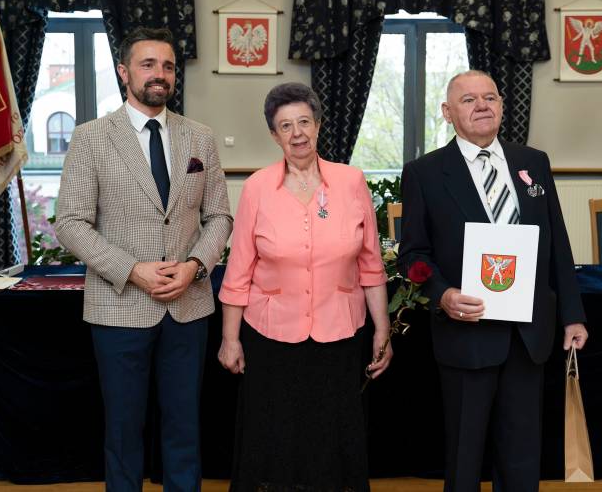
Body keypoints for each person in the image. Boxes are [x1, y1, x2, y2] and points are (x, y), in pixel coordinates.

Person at [55, 27, 232, 492]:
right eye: (148, 64)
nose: (160, 74)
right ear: (124, 72)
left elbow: (219, 216)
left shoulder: (200, 138)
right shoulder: (91, 138)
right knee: (123, 431)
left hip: (188, 307)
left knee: (184, 429)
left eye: (168, 66)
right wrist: (131, 270)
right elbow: (70, 222)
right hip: (118, 308)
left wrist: (195, 266)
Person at [398, 70, 588, 492]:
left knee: (522, 458)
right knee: (464, 459)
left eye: (490, 97)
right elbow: (412, 257)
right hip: (467, 335)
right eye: (468, 100)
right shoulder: (424, 173)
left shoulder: (533, 162)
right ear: (447, 112)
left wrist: (572, 315)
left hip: (528, 335)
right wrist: (442, 295)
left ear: (502, 105)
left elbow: (557, 243)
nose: (482, 105)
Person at [217, 82, 391, 492]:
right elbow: (238, 270)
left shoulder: (351, 182)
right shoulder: (258, 187)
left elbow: (371, 265)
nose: (297, 133)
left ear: (318, 126)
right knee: (276, 441)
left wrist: (382, 330)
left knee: (331, 440)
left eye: (304, 122)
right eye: (285, 126)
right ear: (274, 135)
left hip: (339, 335)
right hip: (272, 337)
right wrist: (230, 339)